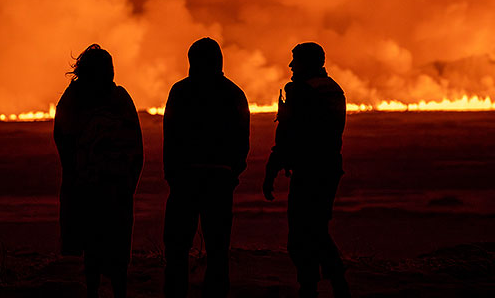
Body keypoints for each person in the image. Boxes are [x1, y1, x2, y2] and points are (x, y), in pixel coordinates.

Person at [53, 44, 143, 298]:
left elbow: (62, 141)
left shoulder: (73, 100)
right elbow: (136, 146)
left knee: (93, 250)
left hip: (93, 188)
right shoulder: (117, 99)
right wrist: (128, 184)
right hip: (111, 189)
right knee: (113, 249)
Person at [163, 37, 250, 298]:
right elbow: (242, 139)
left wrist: (173, 175)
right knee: (218, 249)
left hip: (186, 178)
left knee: (177, 248)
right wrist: (232, 172)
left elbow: (170, 135)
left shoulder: (180, 91)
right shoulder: (234, 93)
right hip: (219, 179)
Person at [262, 42, 351, 298]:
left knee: (303, 233)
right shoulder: (333, 89)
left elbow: (289, 135)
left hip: (309, 172)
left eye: (295, 60)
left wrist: (271, 170)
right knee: (316, 227)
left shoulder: (302, 91)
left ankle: (314, 284)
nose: (291, 66)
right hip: (329, 168)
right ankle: (333, 281)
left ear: (307, 62)